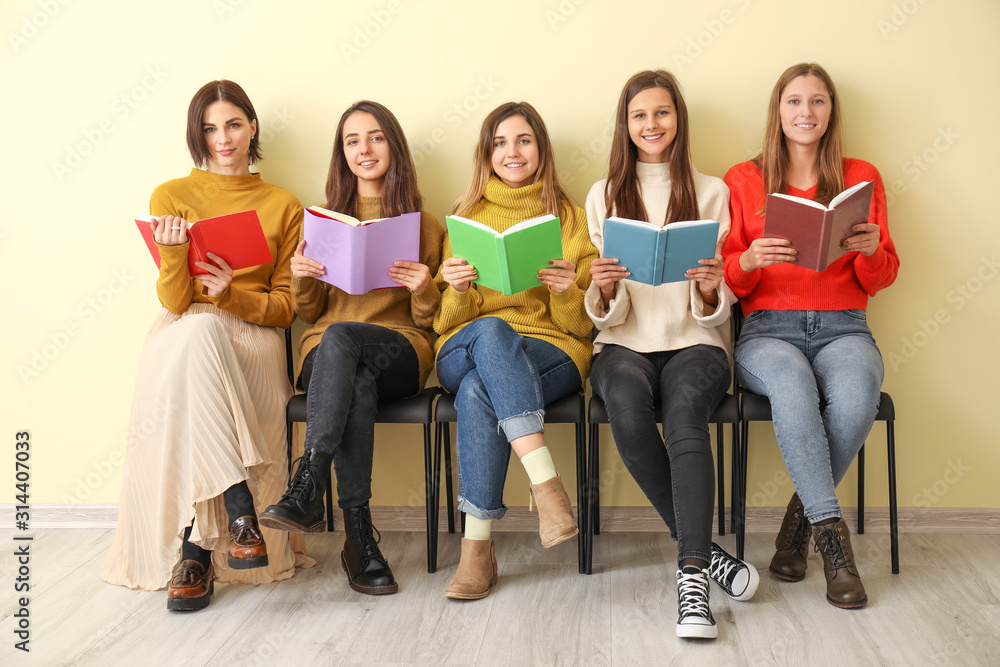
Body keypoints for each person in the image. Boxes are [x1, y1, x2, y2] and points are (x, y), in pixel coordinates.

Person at [102, 80, 313, 610]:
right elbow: (175, 302)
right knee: (199, 330)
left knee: (211, 333)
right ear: (197, 134)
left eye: (233, 125)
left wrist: (234, 293)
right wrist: (176, 257)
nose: (222, 139)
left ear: (253, 127)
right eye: (209, 128)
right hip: (184, 328)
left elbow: (288, 307)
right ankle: (239, 510)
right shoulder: (170, 196)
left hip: (254, 331)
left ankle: (195, 549)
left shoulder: (284, 204)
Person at [584, 70, 758, 639]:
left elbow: (720, 305)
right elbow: (602, 311)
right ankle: (709, 553)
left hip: (696, 343)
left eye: (661, 112)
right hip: (623, 345)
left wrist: (709, 289)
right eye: (639, 115)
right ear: (625, 124)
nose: (651, 124)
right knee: (629, 416)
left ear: (678, 119)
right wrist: (605, 288)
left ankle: (692, 583)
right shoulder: (603, 194)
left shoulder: (713, 192)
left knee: (686, 418)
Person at [723, 63, 899, 609]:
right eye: (794, 102)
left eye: (817, 102)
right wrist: (749, 257)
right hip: (766, 329)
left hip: (844, 323)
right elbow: (727, 279)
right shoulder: (743, 179)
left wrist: (870, 251)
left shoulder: (862, 174)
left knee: (859, 391)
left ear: (831, 112)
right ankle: (834, 542)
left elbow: (885, 273)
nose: (806, 112)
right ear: (778, 111)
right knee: (793, 386)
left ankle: (800, 525)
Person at [259, 101, 443, 596]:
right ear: (341, 154)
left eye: (376, 137)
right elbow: (310, 313)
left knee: (347, 340)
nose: (365, 149)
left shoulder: (425, 226)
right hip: (332, 355)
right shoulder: (319, 221)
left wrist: (425, 287)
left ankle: (309, 482)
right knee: (348, 363)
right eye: (352, 140)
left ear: (394, 147)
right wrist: (301, 279)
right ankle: (359, 538)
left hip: (400, 351)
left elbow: (430, 320)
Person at [435, 102, 597, 600]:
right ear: (486, 154)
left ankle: (477, 551)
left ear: (541, 149)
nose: (512, 152)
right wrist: (458, 288)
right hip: (466, 345)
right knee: (492, 332)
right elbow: (445, 322)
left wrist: (568, 290)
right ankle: (546, 487)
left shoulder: (569, 218)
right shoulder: (464, 219)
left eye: (524, 140)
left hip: (551, 350)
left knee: (482, 392)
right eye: (500, 142)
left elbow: (582, 327)